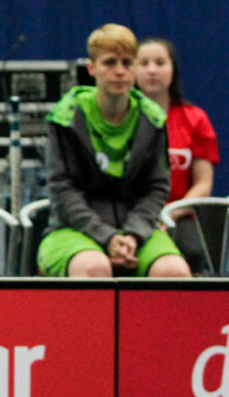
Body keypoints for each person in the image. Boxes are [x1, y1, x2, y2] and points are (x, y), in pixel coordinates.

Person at [38, 23, 192, 278]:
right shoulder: (66, 117)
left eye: (127, 63)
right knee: (94, 268)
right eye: (110, 63)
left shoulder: (153, 119)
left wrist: (133, 234)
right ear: (92, 68)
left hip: (138, 232)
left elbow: (156, 188)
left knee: (173, 272)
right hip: (71, 231)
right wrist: (106, 237)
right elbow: (62, 189)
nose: (120, 71)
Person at [135, 37, 220, 272]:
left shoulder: (195, 118)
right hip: (132, 214)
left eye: (160, 62)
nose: (152, 70)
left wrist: (168, 215)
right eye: (144, 63)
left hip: (180, 215)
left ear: (173, 69)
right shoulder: (122, 120)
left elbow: (203, 183)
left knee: (191, 251)